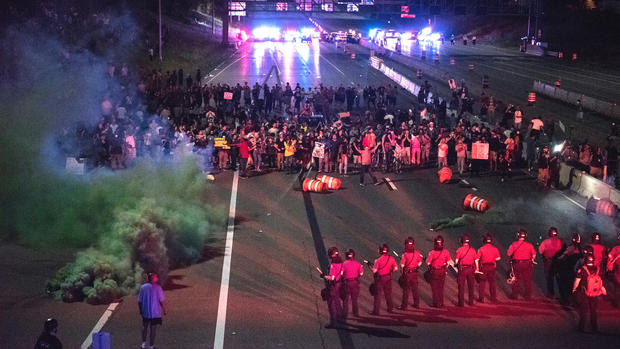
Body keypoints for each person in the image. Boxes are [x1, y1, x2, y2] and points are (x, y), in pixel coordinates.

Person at [572, 255, 607, 333]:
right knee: (593, 310)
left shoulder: (583, 269)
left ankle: (581, 328)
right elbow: (600, 281)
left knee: (584, 310)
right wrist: (602, 289)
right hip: (594, 293)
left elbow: (577, 280)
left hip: (585, 292)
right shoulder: (597, 269)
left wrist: (574, 289)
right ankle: (594, 328)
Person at [139, 272, 167, 349]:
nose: (157, 278)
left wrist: (141, 310)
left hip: (145, 312)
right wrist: (164, 310)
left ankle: (143, 345)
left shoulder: (143, 287)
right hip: (155, 313)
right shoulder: (158, 288)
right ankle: (151, 347)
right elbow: (162, 301)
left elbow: (140, 301)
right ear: (154, 279)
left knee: (144, 328)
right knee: (153, 330)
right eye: (156, 277)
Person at [507, 229, 536, 300]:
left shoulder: (513, 244)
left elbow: (509, 253)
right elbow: (534, 254)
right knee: (527, 280)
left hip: (516, 264)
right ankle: (527, 296)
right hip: (527, 264)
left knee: (516, 280)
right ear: (526, 236)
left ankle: (514, 295)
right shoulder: (530, 245)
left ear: (518, 235)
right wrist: (532, 260)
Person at [371, 244, 398, 315]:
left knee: (378, 295)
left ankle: (376, 311)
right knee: (388, 294)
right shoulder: (391, 258)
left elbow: (374, 271)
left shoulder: (378, 260)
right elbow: (396, 268)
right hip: (388, 278)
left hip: (380, 279)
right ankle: (390, 309)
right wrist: (390, 271)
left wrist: (372, 267)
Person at [427, 235, 452, 308]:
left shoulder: (432, 252)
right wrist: (445, 268)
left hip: (435, 271)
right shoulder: (446, 252)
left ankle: (436, 303)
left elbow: (428, 262)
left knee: (434, 288)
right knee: (441, 287)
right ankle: (441, 302)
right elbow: (448, 262)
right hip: (442, 271)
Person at [398, 237, 423, 310]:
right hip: (414, 273)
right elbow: (420, 262)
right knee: (415, 289)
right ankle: (416, 304)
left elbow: (402, 265)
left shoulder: (405, 255)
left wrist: (403, 270)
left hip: (407, 274)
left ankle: (404, 306)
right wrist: (416, 267)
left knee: (406, 290)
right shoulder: (417, 253)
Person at [322, 247, 344, 328]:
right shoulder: (341, 262)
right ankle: (340, 318)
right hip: (339, 284)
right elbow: (341, 273)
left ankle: (333, 323)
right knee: (337, 301)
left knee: (331, 304)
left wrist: (324, 276)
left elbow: (332, 277)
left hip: (333, 285)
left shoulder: (333, 265)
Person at [475, 234, 501, 303]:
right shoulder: (495, 249)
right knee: (492, 283)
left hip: (484, 267)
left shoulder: (481, 249)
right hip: (492, 267)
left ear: (484, 241)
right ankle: (493, 298)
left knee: (482, 283)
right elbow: (498, 258)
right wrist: (492, 258)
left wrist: (477, 268)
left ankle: (481, 298)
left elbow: (476, 259)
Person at [538, 227, 563, 298]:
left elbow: (540, 251)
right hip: (558, 262)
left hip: (548, 261)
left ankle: (551, 293)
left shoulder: (546, 242)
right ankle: (562, 294)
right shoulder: (559, 241)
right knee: (559, 278)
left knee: (549, 278)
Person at [455, 234, 476, 306]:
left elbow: (456, 261)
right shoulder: (473, 250)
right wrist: (477, 269)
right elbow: (476, 260)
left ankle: (461, 303)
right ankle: (471, 302)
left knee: (461, 286)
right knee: (471, 286)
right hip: (471, 269)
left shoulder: (459, 250)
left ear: (462, 241)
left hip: (462, 269)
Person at [341, 249, 363, 318]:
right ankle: (356, 313)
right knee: (354, 299)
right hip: (355, 283)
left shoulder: (344, 264)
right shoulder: (358, 263)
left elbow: (341, 274)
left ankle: (344, 314)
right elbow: (361, 273)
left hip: (346, 283)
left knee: (345, 300)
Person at [607, 242, 620, 307]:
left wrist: (611, 259)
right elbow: (610, 255)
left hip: (617, 270)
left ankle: (616, 303)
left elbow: (610, 255)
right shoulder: (616, 248)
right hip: (618, 270)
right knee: (617, 288)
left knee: (617, 288)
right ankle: (616, 303)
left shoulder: (616, 248)